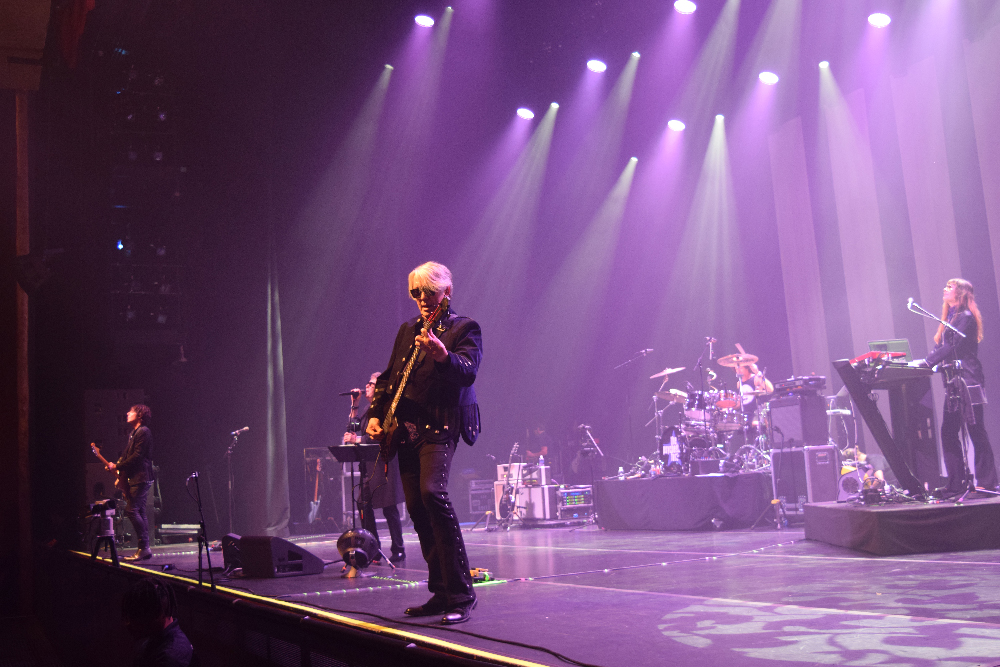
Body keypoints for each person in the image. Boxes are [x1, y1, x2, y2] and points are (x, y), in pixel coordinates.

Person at [366, 261, 481, 625]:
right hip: (407, 430)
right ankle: (441, 591)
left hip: (441, 423)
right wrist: (374, 414)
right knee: (416, 506)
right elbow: (389, 379)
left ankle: (462, 594)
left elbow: (469, 371)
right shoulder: (407, 330)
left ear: (445, 292)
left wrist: (442, 355)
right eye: (415, 293)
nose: (421, 299)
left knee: (434, 494)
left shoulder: (464, 328)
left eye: (428, 292)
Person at [912, 278, 999, 494]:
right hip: (953, 381)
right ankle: (955, 483)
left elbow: (952, 346)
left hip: (969, 380)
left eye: (949, 287)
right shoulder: (951, 317)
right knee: (949, 431)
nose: (944, 289)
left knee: (975, 429)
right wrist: (924, 362)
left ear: (960, 293)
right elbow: (939, 347)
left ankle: (987, 481)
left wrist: (928, 363)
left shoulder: (966, 318)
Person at [344, 372, 405, 563]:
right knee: (363, 504)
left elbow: (383, 434)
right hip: (368, 466)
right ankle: (374, 547)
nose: (366, 386)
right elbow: (353, 429)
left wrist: (359, 439)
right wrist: (355, 405)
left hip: (383, 464)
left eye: (370, 384)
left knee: (389, 507)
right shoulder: (367, 412)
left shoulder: (386, 409)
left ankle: (398, 548)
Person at [107, 404, 154, 561]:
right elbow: (128, 455)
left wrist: (118, 466)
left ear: (139, 415)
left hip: (141, 477)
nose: (127, 413)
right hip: (136, 477)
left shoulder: (143, 432)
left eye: (131, 411)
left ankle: (144, 547)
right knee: (138, 511)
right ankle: (144, 548)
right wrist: (117, 466)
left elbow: (137, 456)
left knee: (132, 510)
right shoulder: (134, 433)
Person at [121, 577, 197, 667]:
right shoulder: (159, 640)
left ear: (157, 615)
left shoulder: (170, 657)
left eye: (136, 617)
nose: (129, 624)